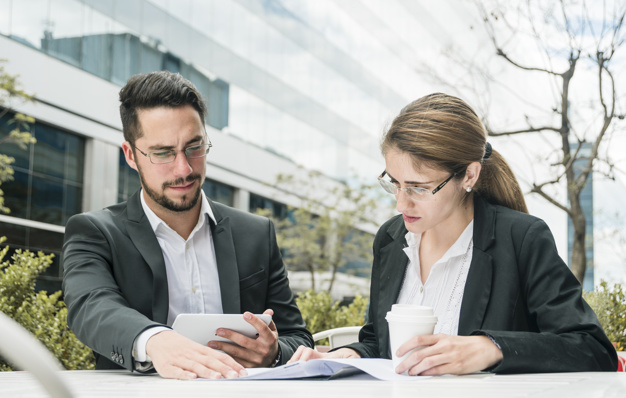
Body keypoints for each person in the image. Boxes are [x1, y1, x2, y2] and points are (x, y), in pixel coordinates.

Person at [289, 93, 617, 374]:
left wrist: (490, 348)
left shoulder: (521, 238)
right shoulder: (390, 239)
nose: (402, 202)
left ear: (469, 175)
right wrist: (352, 355)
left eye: (418, 187)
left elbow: (591, 348)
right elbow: (379, 339)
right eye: (394, 183)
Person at [63, 71, 313, 380]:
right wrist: (155, 340)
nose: (184, 168)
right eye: (163, 153)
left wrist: (274, 354)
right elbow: (91, 307)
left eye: (194, 147)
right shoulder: (95, 232)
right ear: (131, 155)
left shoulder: (255, 233)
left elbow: (298, 339)